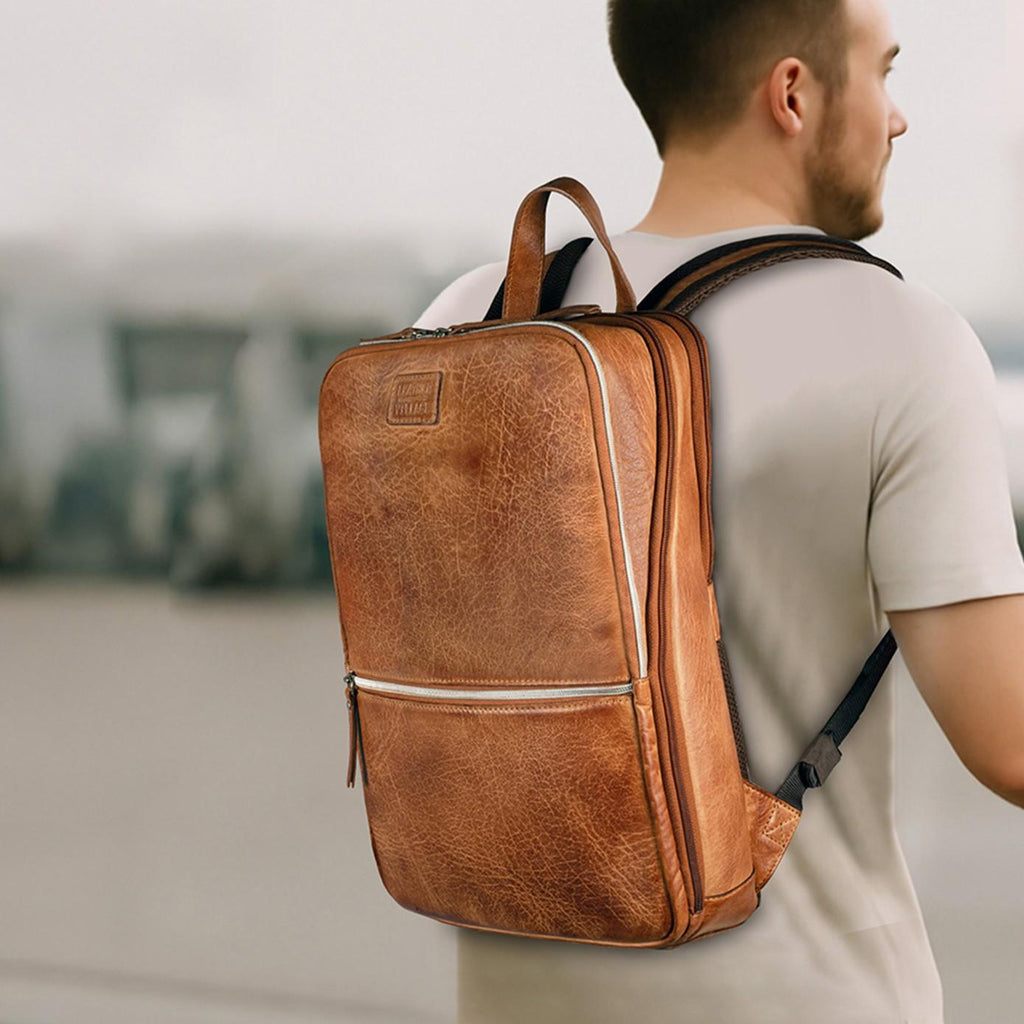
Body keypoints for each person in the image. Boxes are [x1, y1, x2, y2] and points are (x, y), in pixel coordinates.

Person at [411, 0, 1024, 1020]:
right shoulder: (901, 338)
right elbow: (1008, 740)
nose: (899, 118)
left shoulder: (473, 314)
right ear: (791, 94)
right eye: (882, 73)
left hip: (519, 989)